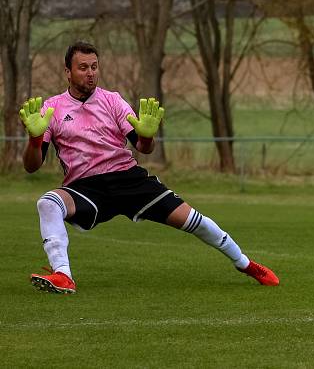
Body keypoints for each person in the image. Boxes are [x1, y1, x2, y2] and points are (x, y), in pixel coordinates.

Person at [19, 41, 279, 294]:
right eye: (83, 67)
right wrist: (34, 139)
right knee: (48, 203)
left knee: (193, 221)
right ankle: (63, 275)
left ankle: (245, 263)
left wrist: (146, 136)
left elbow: (145, 148)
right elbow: (32, 166)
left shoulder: (112, 101)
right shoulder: (51, 108)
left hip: (129, 179)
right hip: (86, 187)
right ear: (67, 71)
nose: (90, 73)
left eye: (94, 67)